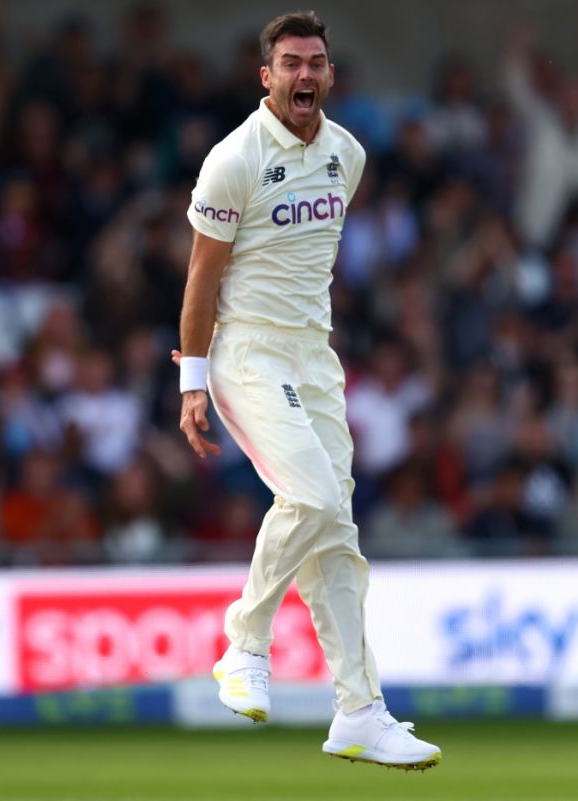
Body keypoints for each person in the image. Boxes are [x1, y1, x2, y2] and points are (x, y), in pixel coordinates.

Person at [173, 11, 439, 770]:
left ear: (330, 74)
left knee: (336, 534)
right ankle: (244, 643)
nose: (304, 75)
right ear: (267, 76)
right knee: (317, 501)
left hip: (314, 360)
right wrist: (195, 379)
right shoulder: (234, 159)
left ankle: (360, 709)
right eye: (290, 63)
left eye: (315, 62)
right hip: (247, 353)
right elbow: (202, 276)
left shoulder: (347, 155)